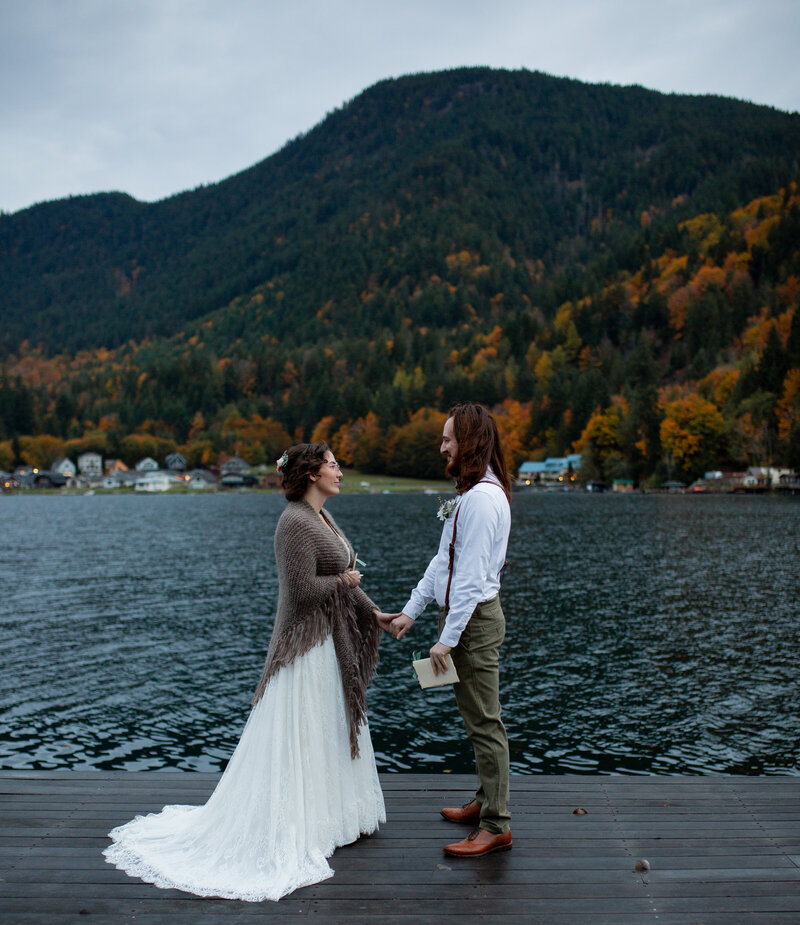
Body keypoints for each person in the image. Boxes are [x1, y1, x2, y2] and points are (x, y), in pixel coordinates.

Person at [103, 443, 385, 901]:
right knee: (304, 735)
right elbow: (301, 592)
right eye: (332, 464)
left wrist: (374, 614)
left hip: (329, 644)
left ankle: (331, 820)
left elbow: (341, 580)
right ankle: (297, 824)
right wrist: (344, 581)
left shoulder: (321, 518)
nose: (339, 471)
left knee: (326, 733)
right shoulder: (293, 522)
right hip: (305, 649)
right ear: (311, 473)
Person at [378, 402, 512, 857]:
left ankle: (497, 824)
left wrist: (446, 640)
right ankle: (484, 800)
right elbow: (444, 562)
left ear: (469, 441)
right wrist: (412, 611)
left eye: (448, 439)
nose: (442, 447)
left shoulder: (481, 501)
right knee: (477, 720)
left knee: (486, 722)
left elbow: (471, 580)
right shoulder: (471, 495)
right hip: (464, 621)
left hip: (471, 623)